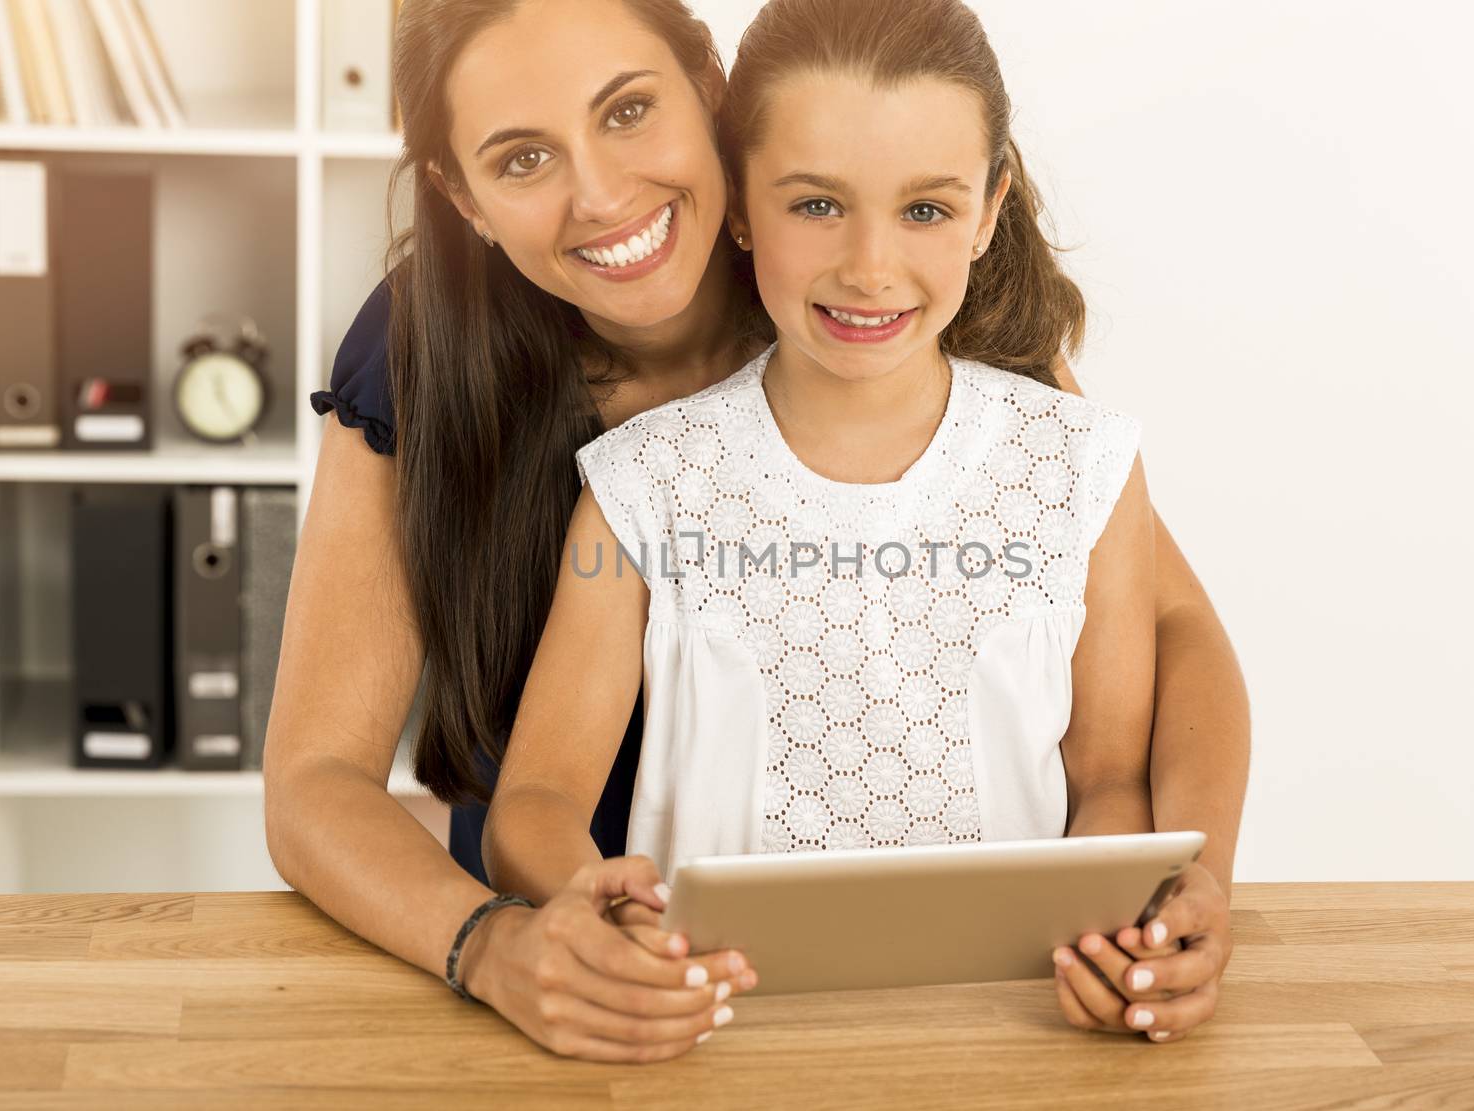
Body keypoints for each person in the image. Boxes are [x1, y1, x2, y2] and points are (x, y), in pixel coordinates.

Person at [268, 0, 1247, 1064]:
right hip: (604, 975)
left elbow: (1167, 627)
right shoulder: (439, 353)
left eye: (630, 110)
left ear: (709, 87)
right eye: (522, 158)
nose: (599, 195)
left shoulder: (895, 301)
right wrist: (495, 945)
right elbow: (318, 783)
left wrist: (1187, 888)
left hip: (974, 996)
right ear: (461, 196)